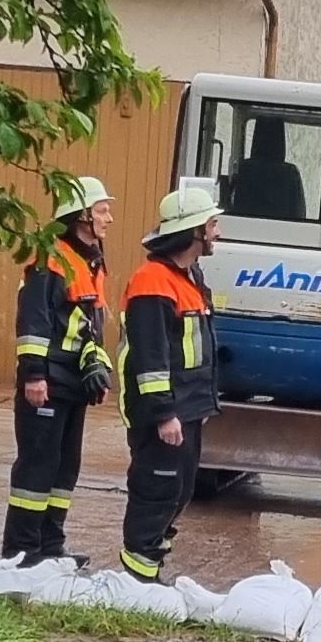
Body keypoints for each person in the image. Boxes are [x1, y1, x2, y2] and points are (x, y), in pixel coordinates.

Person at [1, 176, 116, 565]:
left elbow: (89, 325)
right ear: (81, 215)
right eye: (102, 210)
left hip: (71, 384)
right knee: (38, 465)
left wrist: (96, 365)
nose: (109, 218)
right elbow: (34, 321)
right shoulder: (49, 259)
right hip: (46, 383)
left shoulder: (91, 261)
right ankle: (21, 551)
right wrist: (33, 375)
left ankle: (50, 546)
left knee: (66, 467)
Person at [114, 185, 224, 582]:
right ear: (194, 230)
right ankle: (136, 578)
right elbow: (151, 358)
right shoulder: (152, 281)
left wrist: (201, 406)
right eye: (212, 225)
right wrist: (164, 414)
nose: (217, 233)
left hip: (187, 409)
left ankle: (150, 569)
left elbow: (195, 351)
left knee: (179, 492)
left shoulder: (190, 277)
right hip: (163, 413)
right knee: (157, 490)